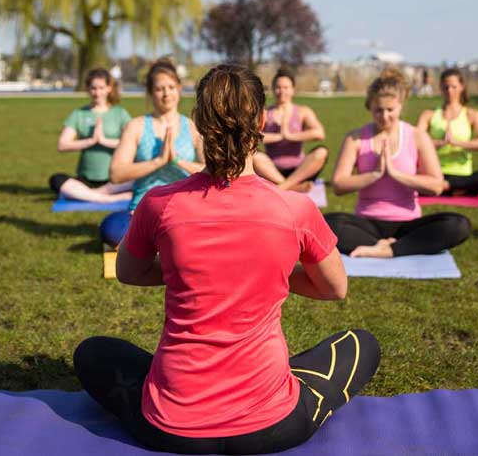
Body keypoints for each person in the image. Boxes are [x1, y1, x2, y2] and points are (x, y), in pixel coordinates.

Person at [74, 64, 380, 454]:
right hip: (271, 426)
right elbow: (335, 288)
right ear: (263, 121)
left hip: (173, 427)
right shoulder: (295, 209)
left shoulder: (160, 204)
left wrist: (193, 273)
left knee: (93, 353)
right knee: (361, 344)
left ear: (199, 123)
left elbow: (128, 272)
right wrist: (263, 276)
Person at [324, 69, 471, 258]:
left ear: (400, 106)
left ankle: (390, 250)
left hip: (407, 225)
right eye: (378, 110)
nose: (384, 116)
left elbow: (436, 185)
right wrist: (374, 175)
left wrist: (396, 175)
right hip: (366, 224)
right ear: (370, 107)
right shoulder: (356, 138)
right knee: (324, 224)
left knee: (458, 225)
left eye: (390, 110)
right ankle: (388, 246)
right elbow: (338, 184)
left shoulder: (417, 136)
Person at [102, 59, 205, 246]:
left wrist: (176, 161)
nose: (166, 93)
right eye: (159, 89)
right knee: (111, 231)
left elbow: (210, 171)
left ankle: (161, 242)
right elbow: (116, 174)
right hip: (144, 209)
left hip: (184, 208)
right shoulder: (136, 126)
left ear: (179, 89)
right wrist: (158, 161)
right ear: (150, 93)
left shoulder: (192, 127)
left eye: (171, 87)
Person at [415, 68, 478, 197]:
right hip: (434, 173)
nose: (449, 91)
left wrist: (456, 143)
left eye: (453, 87)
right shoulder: (429, 114)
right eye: (446, 87)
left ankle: (447, 187)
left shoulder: (472, 114)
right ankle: (455, 189)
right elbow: (414, 142)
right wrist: (440, 143)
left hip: (462, 176)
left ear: (461, 87)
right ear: (440, 87)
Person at [48, 68, 133, 203]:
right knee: (56, 180)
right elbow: (62, 145)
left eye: (101, 88)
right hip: (86, 179)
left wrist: (104, 141)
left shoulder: (120, 113)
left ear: (109, 88)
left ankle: (91, 195)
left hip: (115, 178)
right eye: (93, 88)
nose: (97, 93)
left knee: (143, 177)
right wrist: (90, 141)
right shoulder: (79, 114)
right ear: (87, 89)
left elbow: (133, 144)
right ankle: (105, 198)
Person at [253, 68, 328, 192]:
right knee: (254, 155)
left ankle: (284, 187)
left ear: (293, 90)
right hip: (271, 170)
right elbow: (251, 137)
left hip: (299, 170)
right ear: (273, 89)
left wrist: (290, 136)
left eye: (286, 87)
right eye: (278, 87)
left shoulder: (303, 111)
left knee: (322, 152)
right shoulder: (265, 112)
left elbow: (319, 133)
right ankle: (293, 188)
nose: (282, 91)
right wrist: (279, 136)